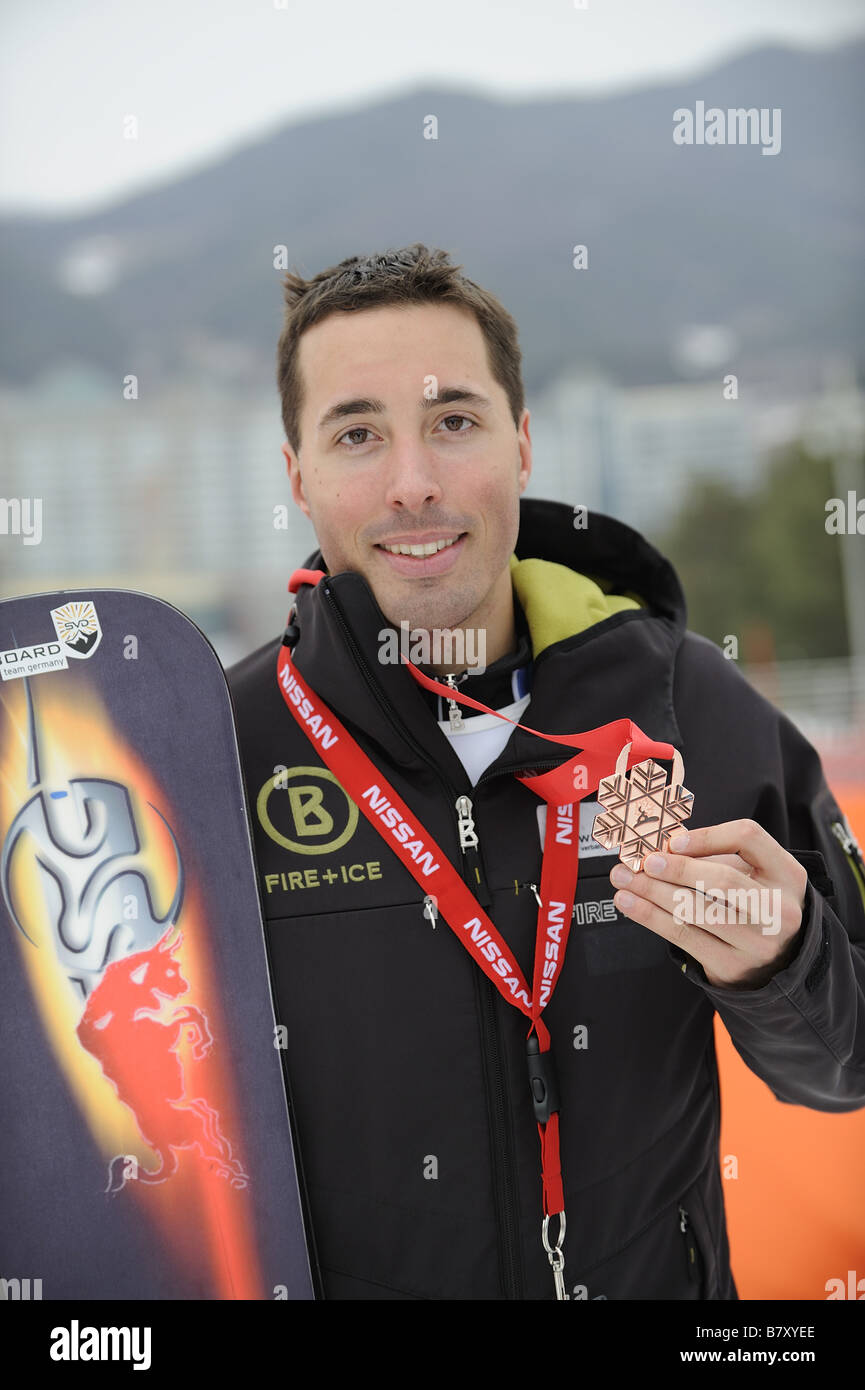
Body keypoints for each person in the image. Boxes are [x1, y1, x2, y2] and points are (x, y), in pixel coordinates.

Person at [226, 242, 865, 1301]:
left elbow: (842, 1067)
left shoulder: (689, 706)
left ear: (522, 444)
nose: (414, 482)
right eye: (357, 434)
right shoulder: (224, 752)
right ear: (297, 474)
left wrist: (782, 963)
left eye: (454, 421)